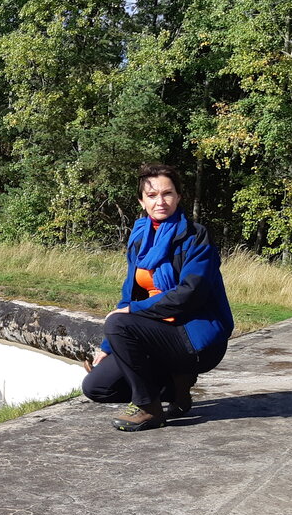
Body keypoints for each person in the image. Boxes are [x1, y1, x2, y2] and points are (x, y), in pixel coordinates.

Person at [81, 164, 233, 431]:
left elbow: (190, 293)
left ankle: (148, 407)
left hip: (194, 338)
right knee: (97, 387)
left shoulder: (196, 237)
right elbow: (129, 296)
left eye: (167, 194)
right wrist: (106, 348)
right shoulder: (140, 239)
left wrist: (133, 312)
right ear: (142, 201)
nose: (160, 201)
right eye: (152, 195)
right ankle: (175, 388)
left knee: (118, 322)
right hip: (156, 332)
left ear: (178, 197)